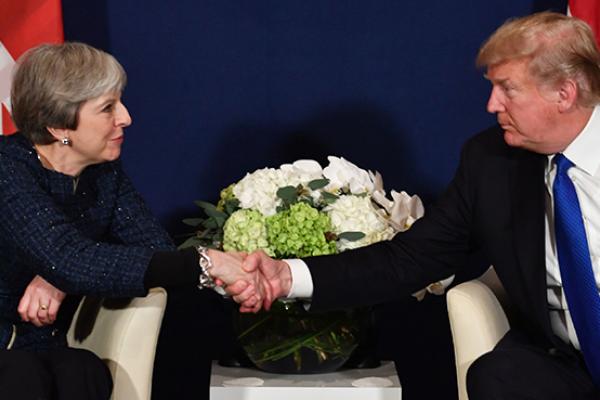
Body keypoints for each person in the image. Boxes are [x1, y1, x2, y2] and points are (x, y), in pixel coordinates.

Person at [228, 12, 600, 400]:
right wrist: (287, 278)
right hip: (570, 364)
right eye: (492, 87)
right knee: (499, 374)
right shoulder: (491, 162)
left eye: (508, 89)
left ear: (564, 92)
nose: (492, 104)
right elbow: (409, 259)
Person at [0, 42, 258, 400]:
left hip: (41, 345)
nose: (126, 117)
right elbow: (68, 258)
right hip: (10, 355)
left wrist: (59, 278)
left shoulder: (104, 173)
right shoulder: (7, 168)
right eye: (108, 108)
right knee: (21, 377)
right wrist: (207, 261)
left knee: (83, 371)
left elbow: (155, 251)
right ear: (59, 123)